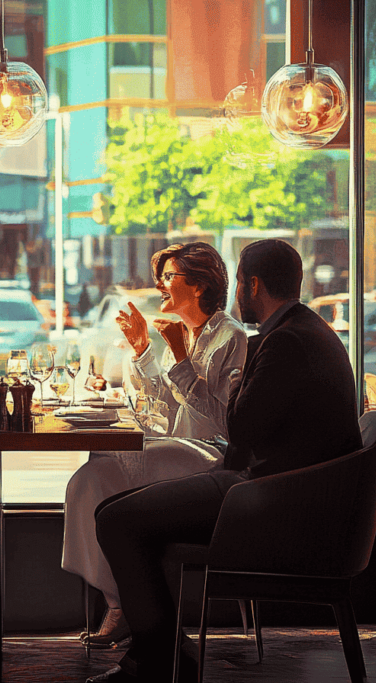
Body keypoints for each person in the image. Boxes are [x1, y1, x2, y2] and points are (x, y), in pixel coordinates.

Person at [86, 239, 362, 683]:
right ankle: (167, 654)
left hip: (271, 499)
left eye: (237, 282)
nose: (233, 294)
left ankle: (159, 663)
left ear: (252, 284)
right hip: (275, 490)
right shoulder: (300, 331)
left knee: (116, 519)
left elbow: (238, 427)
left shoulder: (283, 342)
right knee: (123, 510)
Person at [62, 242, 247, 648]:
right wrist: (143, 349)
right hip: (174, 449)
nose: (159, 285)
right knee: (88, 480)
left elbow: (226, 421)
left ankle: (131, 610)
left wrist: (180, 360)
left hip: (212, 461)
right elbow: (158, 410)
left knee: (111, 460)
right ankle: (119, 602)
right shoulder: (178, 334)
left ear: (198, 285)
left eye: (168, 277)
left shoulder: (232, 338)